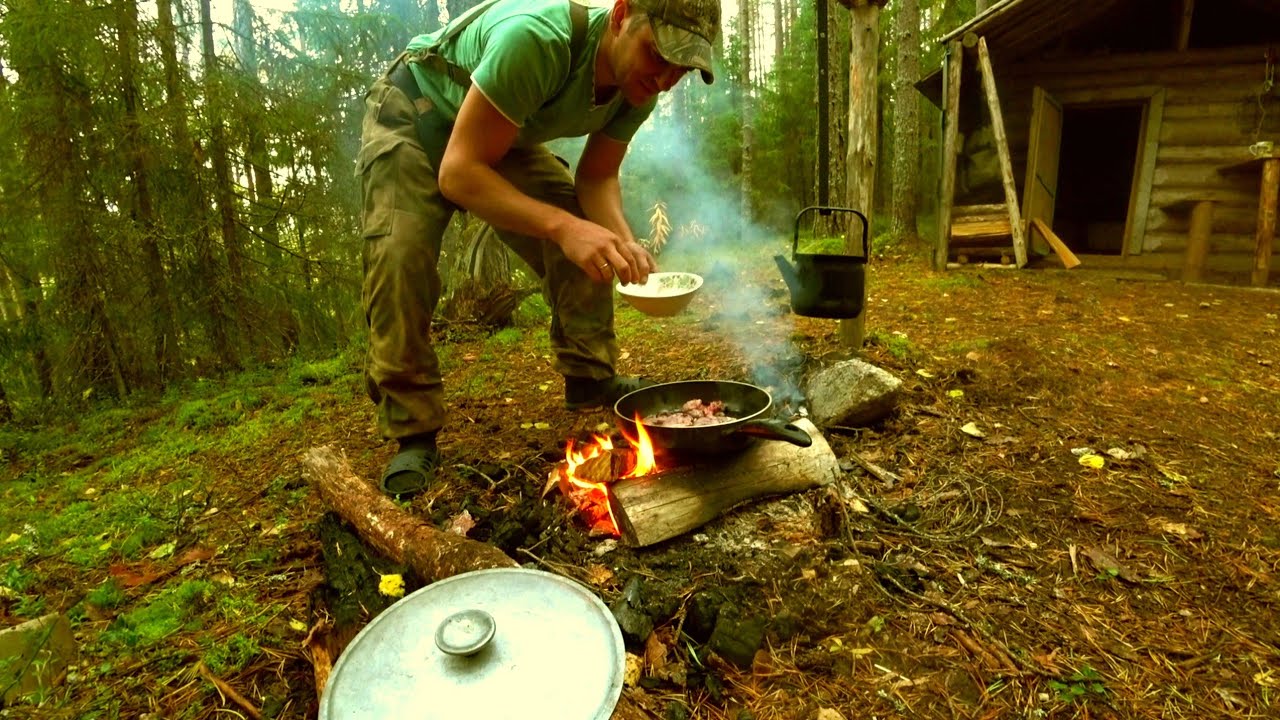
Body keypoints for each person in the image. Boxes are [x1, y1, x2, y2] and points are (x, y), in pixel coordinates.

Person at [356, 0, 721, 495]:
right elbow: (459, 173)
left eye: (681, 68)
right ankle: (412, 430)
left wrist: (622, 240)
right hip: (415, 112)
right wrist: (563, 229)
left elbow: (597, 178)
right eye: (658, 55)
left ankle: (590, 375)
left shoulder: (639, 88)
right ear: (621, 15)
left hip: (497, 135)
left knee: (590, 233)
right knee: (400, 256)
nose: (664, 79)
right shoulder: (536, 41)